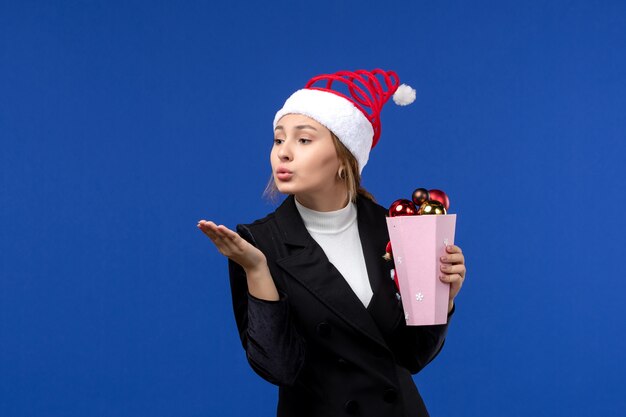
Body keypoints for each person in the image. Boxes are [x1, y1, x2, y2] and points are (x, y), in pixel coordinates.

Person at [197, 69, 467, 417]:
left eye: (304, 140)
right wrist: (257, 269)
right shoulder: (258, 243)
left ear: (344, 156)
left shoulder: (396, 228)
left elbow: (413, 355)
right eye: (279, 140)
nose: (284, 153)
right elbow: (278, 368)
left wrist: (444, 298)